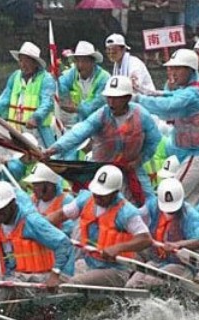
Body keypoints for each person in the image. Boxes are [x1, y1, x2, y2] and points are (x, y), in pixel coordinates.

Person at [44, 76, 161, 207]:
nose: (111, 102)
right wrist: (54, 149)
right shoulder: (100, 115)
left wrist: (139, 160)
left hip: (131, 169)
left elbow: (154, 140)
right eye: (109, 97)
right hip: (101, 169)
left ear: (127, 98)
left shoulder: (141, 115)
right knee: (88, 204)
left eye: (116, 98)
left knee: (150, 203)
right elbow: (79, 133)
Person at [135, 49, 199, 204]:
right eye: (171, 68)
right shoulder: (190, 90)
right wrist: (141, 91)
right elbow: (166, 96)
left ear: (190, 70)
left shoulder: (192, 94)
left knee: (169, 197)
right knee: (187, 205)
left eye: (177, 69)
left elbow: (167, 106)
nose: (172, 73)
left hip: (198, 156)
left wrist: (137, 99)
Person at [47, 165, 152, 287]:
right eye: (96, 191)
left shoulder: (127, 212)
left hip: (116, 270)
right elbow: (60, 215)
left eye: (102, 194)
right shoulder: (86, 199)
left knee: (73, 284)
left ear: (115, 192)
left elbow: (145, 239)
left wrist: (117, 248)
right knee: (56, 277)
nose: (97, 196)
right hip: (89, 262)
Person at [0, 181, 74, 287]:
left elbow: (64, 244)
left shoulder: (31, 221)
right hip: (11, 276)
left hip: (39, 277)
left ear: (13, 203)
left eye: (2, 208)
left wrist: (56, 275)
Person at [126, 178, 199, 288]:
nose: (171, 212)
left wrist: (179, 244)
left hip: (181, 264)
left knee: (150, 281)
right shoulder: (153, 205)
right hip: (158, 260)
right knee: (132, 284)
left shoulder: (189, 214)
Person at [0, 42, 56, 148]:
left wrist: (36, 118)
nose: (23, 64)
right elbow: (4, 99)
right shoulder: (15, 76)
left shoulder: (46, 79)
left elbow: (47, 103)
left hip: (37, 131)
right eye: (21, 60)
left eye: (27, 61)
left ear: (35, 63)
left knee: (46, 155)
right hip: (16, 130)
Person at [58, 41, 110, 124]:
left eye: (84, 61)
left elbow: (99, 103)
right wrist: (66, 98)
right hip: (78, 121)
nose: (80, 65)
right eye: (77, 61)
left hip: (100, 122)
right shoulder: (73, 73)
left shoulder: (104, 78)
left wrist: (77, 108)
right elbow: (61, 84)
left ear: (93, 62)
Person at [22, 163, 75, 236]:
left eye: (37, 184)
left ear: (49, 185)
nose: (34, 188)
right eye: (33, 184)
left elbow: (69, 229)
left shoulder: (66, 201)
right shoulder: (32, 200)